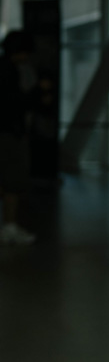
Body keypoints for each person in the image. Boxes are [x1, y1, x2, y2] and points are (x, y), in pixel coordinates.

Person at [0, 29, 37, 245]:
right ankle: (9, 226)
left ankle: (9, 226)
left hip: (7, 131)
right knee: (13, 180)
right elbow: (14, 103)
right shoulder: (9, 70)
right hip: (9, 132)